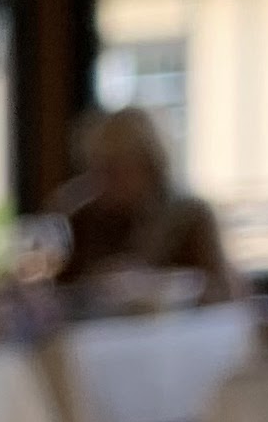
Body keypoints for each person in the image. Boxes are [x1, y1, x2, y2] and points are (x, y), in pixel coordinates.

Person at [55, 106, 246, 304]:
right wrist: (94, 285)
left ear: (149, 164)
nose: (105, 181)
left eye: (117, 168)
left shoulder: (190, 217)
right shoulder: (83, 220)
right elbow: (59, 296)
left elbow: (225, 295)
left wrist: (155, 285)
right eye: (98, 168)